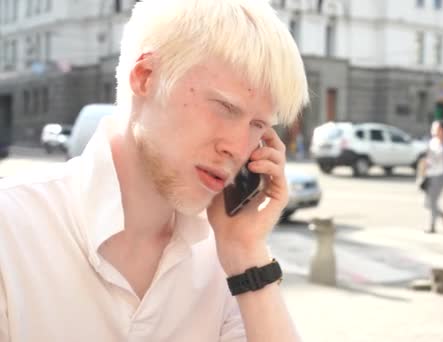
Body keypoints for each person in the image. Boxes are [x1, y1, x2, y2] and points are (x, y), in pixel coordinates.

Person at [0, 0, 308, 341]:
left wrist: (246, 254)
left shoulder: (224, 261)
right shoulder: (11, 231)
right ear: (145, 77)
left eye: (258, 125)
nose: (238, 148)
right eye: (225, 107)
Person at [422, 120, 443, 233]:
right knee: (427, 203)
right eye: (434, 128)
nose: (435, 130)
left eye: (438, 128)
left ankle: (432, 227)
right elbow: (428, 158)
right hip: (429, 175)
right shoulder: (432, 142)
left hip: (439, 176)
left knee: (433, 202)